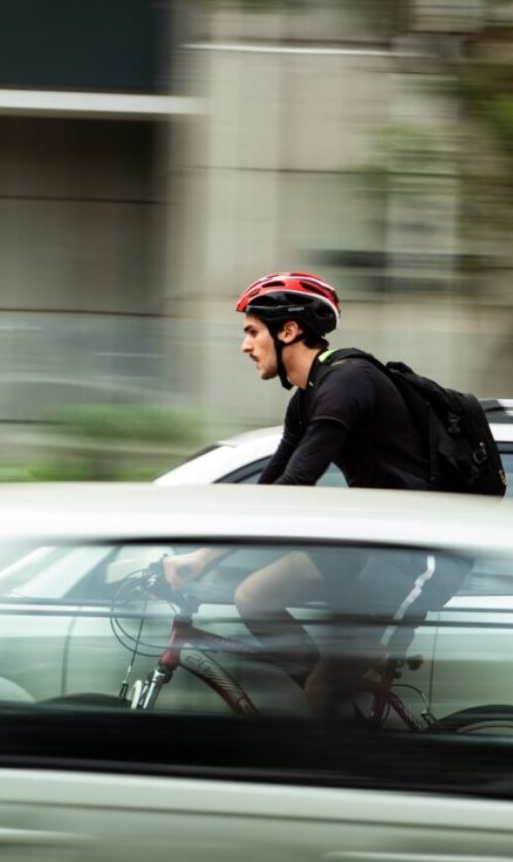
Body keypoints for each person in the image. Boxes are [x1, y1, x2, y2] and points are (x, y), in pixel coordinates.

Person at [165, 271, 467, 716]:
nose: (245, 346)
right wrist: (199, 548)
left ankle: (340, 733)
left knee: (322, 692)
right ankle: (336, 704)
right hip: (377, 543)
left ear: (288, 331)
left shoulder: (347, 384)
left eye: (252, 332)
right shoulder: (306, 399)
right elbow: (270, 482)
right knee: (255, 597)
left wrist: (202, 560)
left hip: (420, 552)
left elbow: (293, 488)